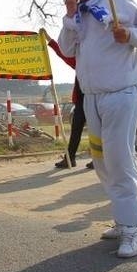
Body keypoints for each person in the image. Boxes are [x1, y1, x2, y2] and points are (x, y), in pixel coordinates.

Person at [57, 0, 137, 259]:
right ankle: (129, 216)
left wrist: (129, 35)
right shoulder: (79, 15)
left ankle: (131, 229)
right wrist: (69, 14)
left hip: (122, 91)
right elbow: (65, 48)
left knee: (118, 157)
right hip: (92, 96)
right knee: (101, 160)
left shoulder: (120, 3)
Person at [44, 32, 90, 169]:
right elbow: (63, 54)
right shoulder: (79, 61)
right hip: (81, 101)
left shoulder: (98, 61)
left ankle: (99, 159)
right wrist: (49, 40)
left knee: (97, 131)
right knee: (75, 130)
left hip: (95, 99)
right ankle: (70, 158)